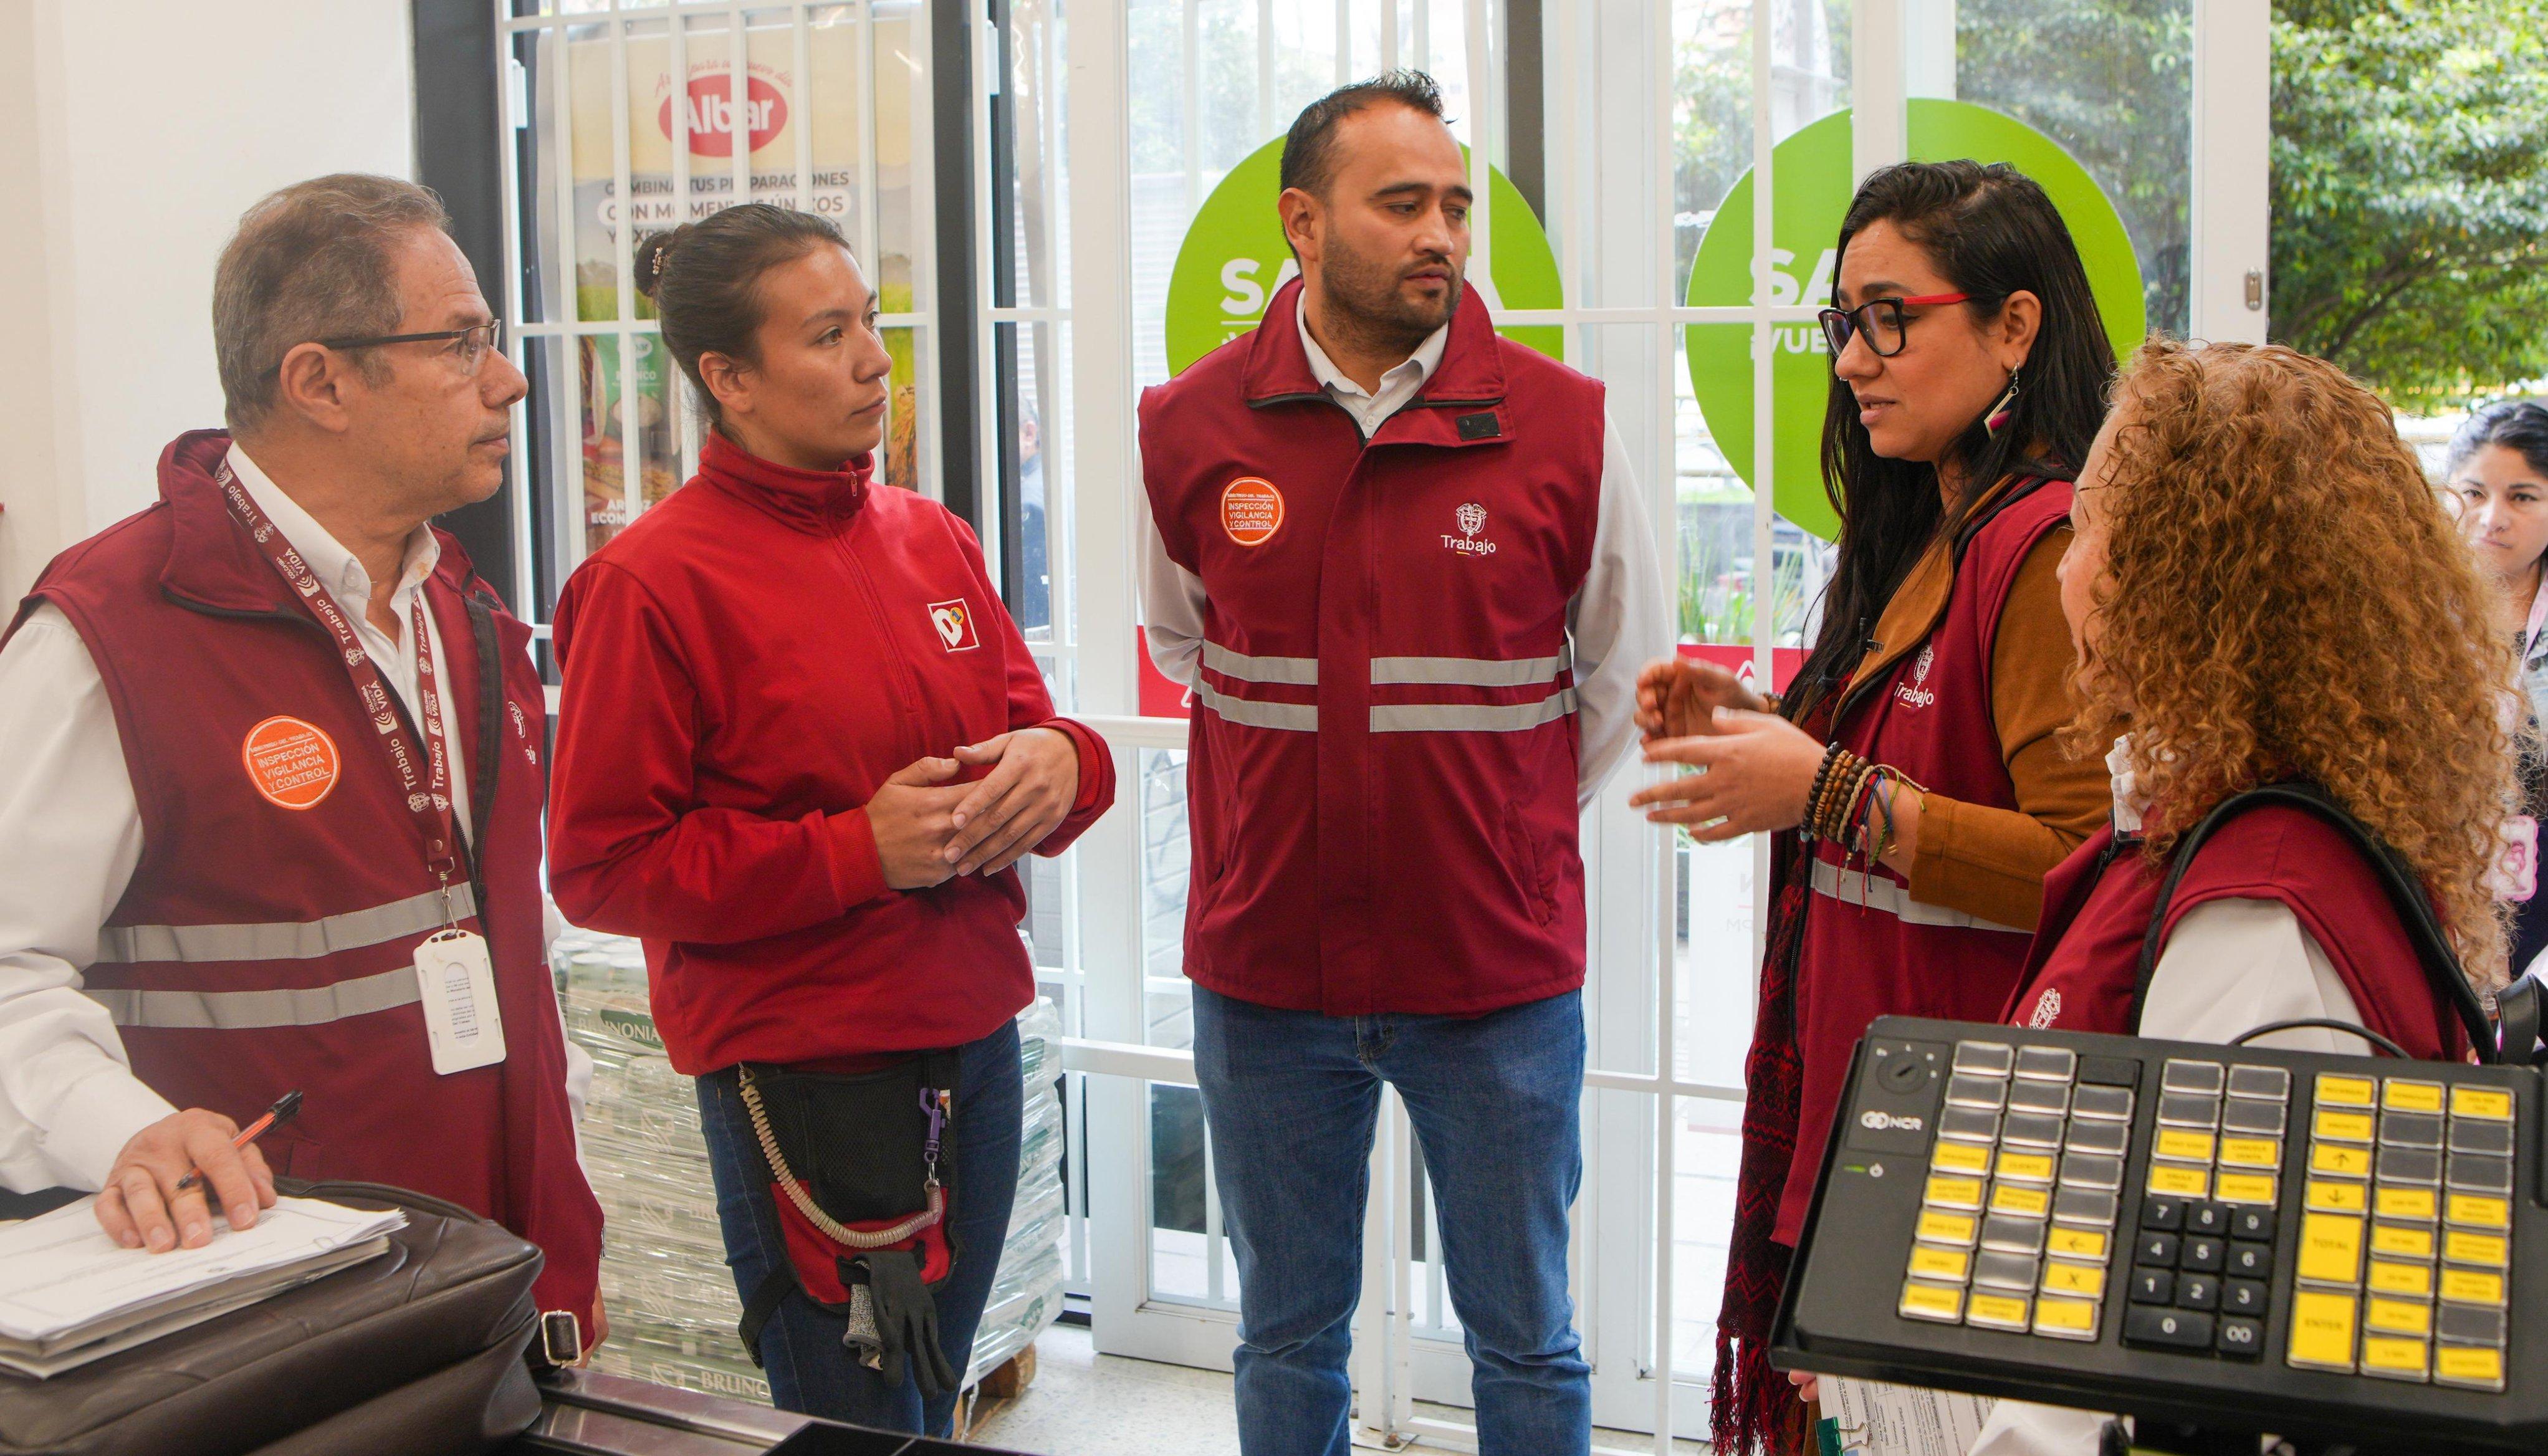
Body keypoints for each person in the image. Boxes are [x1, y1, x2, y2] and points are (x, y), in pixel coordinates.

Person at [1139, 71, 1670, 1456]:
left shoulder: (1563, 422)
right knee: (1285, 1336)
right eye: (1402, 205)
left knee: (1526, 1343)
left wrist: (1495, 826)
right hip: (1265, 975)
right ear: (1302, 225)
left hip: (1492, 977)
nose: (1441, 233)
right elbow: (1184, 642)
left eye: (1454, 205)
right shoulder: (1188, 428)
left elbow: (1617, 673)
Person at [0, 175, 604, 1342]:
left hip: (489, 1280)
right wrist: (118, 1126)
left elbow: (511, 950)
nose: (510, 379)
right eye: (462, 342)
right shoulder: (114, 632)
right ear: (321, 381)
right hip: (260, 1316)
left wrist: (564, 1237)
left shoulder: (463, 615)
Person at [544, 203, 1115, 1437]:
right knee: (858, 1419)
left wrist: (1065, 762)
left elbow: (1038, 730)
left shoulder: (930, 538)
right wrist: (855, 851)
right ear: (729, 379)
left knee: (929, 1403)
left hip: (976, 1042)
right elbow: (601, 868)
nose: (875, 360)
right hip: (809, 1073)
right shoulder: (648, 585)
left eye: (870, 321)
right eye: (828, 334)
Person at [1629, 160, 2117, 1454]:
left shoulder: (2047, 544)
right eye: (1843, 322)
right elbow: (1908, 767)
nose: (1854, 359)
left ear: (2015, 325)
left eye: (1891, 316)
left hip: (1959, 1144)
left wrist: (1831, 790)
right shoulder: (1932, 529)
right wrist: (1758, 735)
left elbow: (2089, 870)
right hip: (1871, 1113)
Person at [1967, 339, 2515, 1454]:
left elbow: (2186, 1357)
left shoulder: (2249, 922)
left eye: (2086, 530)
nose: (2064, 572)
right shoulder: (2291, 838)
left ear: (2173, 579)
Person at [2446, 398, 2548, 980]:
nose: (2493, 519)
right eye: (2476, 493)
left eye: (2523, 497)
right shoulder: (2410, 614)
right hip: (2445, 882)